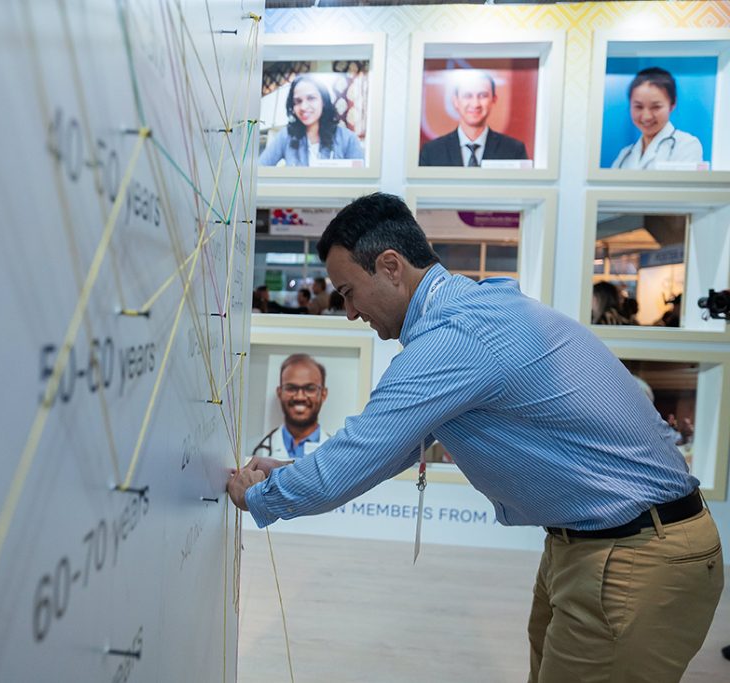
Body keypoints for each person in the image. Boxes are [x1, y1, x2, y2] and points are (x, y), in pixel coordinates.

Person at [228, 192, 722, 682]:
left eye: (349, 292)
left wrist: (259, 495)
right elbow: (391, 448)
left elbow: (355, 456)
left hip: (633, 554)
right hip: (599, 545)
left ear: (391, 266)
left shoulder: (455, 336)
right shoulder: (475, 310)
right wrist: (289, 473)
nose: (351, 312)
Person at [419, 69, 528, 167]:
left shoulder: (514, 150)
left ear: (494, 100)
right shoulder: (431, 152)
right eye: (468, 96)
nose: (475, 104)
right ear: (455, 101)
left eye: (483, 95)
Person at [259, 74, 364, 167]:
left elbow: (359, 179)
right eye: (298, 101)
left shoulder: (348, 139)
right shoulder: (286, 136)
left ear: (323, 101)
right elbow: (259, 169)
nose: (303, 107)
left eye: (311, 98)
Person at [611, 67, 703, 170]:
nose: (646, 116)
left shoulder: (687, 146)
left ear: (672, 105)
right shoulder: (625, 155)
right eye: (638, 107)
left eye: (656, 107)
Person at [251, 354, 333, 459]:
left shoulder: (337, 452)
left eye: (310, 388)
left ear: (323, 394)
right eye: (291, 388)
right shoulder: (255, 451)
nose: (300, 397)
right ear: (279, 393)